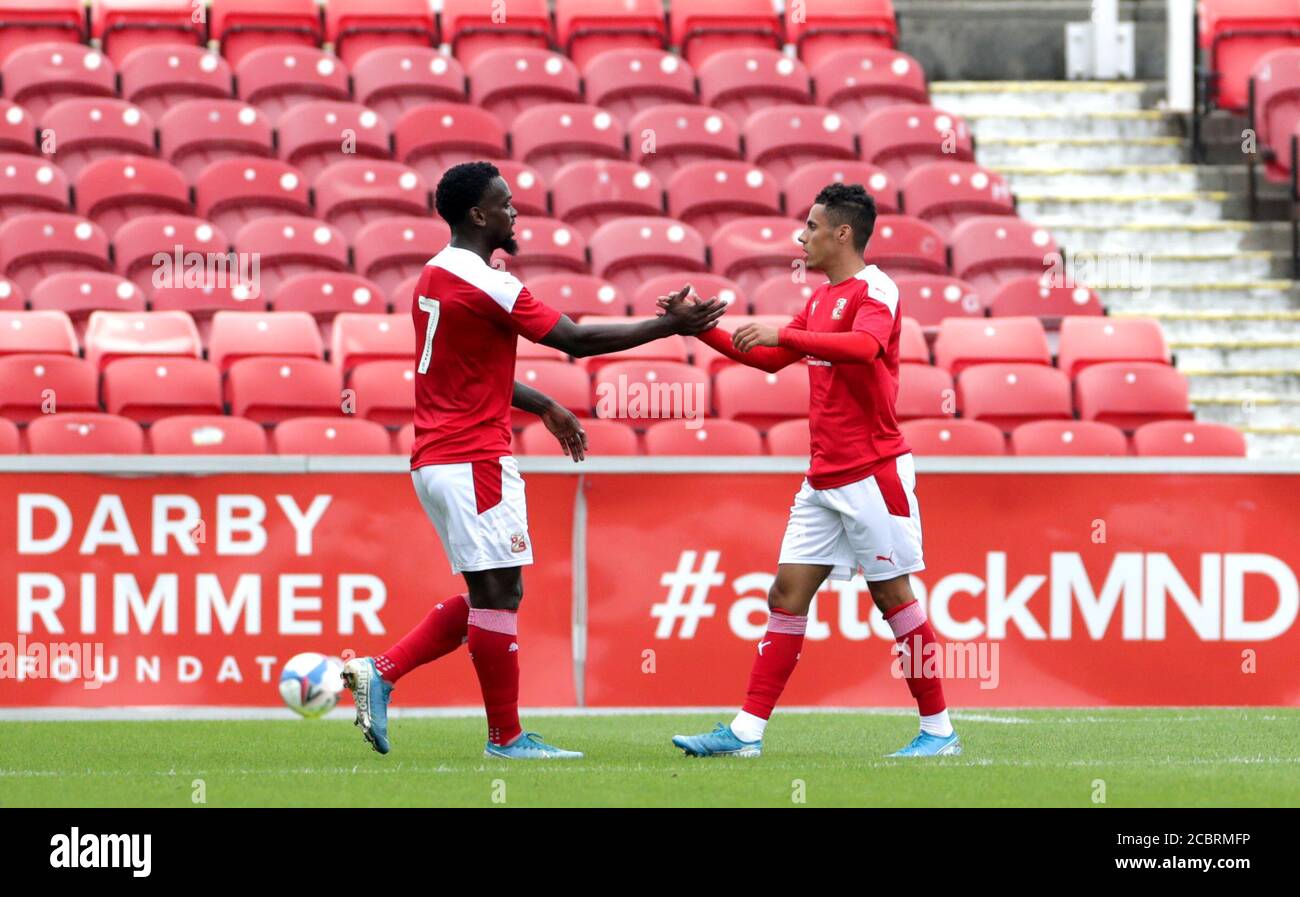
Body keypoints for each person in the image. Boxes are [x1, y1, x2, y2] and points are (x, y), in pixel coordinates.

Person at [343, 161, 727, 760]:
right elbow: (574, 340)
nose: (514, 211)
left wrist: (543, 402)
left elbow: (467, 370)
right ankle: (505, 737)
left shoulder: (432, 276)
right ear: (478, 214)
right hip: (473, 458)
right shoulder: (489, 281)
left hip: (436, 458)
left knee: (491, 591)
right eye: (505, 202)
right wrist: (668, 326)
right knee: (500, 594)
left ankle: (383, 673)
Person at [666, 183, 960, 758]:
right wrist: (698, 328)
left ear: (842, 233)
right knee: (785, 594)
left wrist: (788, 333)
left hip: (873, 471)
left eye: (812, 226)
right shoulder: (822, 299)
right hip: (823, 476)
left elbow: (865, 348)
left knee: (894, 598)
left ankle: (939, 731)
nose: (802, 236)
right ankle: (745, 734)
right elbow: (773, 356)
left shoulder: (876, 289)